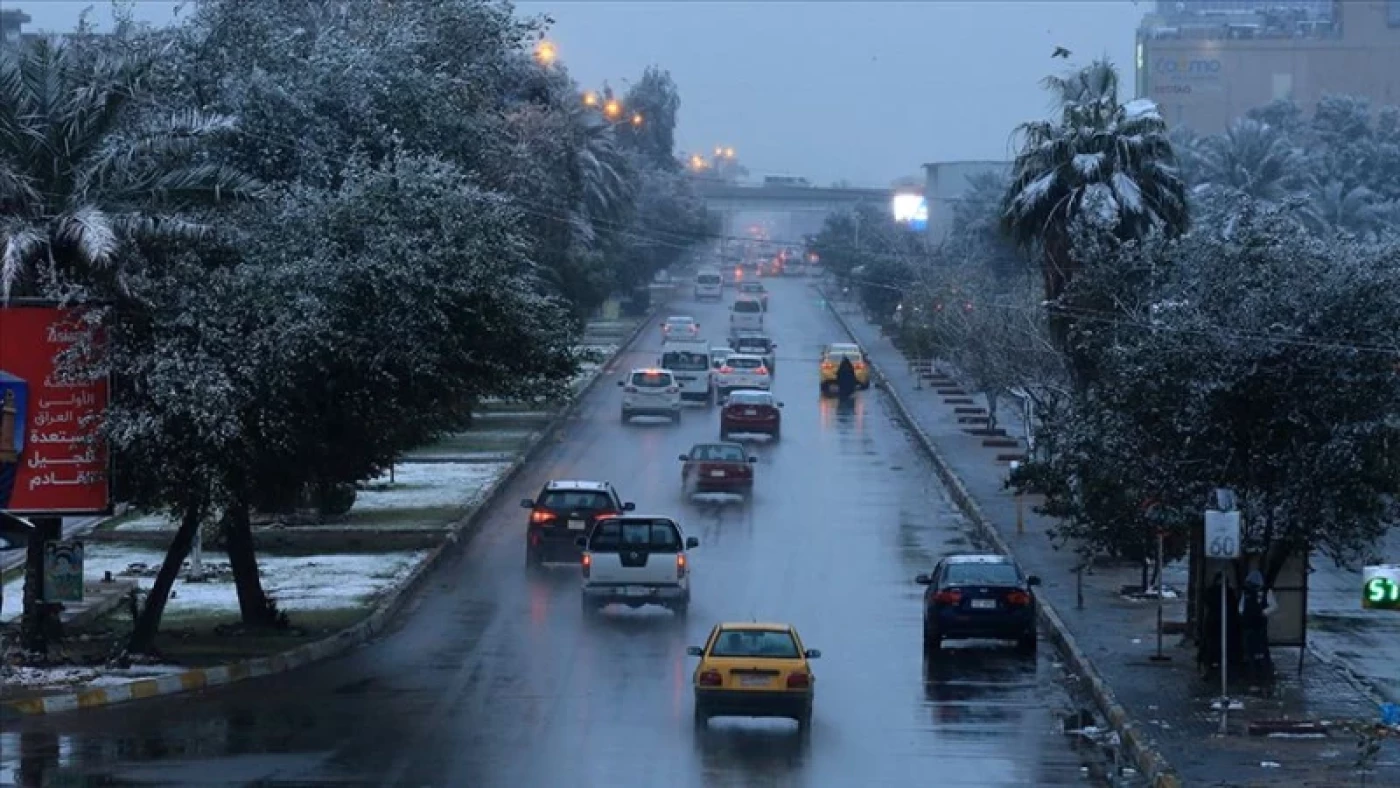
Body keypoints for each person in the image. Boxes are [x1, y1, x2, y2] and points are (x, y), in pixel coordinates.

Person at [1239, 569, 1277, 683]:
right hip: (1250, 624)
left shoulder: (1265, 592)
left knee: (1261, 649)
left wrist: (1263, 612)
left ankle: (1262, 673)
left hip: (1258, 624)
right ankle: (1254, 674)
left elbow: (1274, 606)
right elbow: (1240, 607)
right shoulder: (1247, 592)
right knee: (1251, 649)